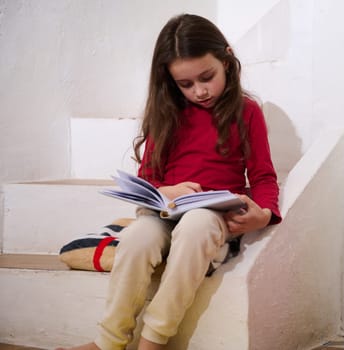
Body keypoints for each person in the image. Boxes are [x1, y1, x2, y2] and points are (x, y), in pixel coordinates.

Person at [60, 13, 281, 350]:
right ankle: (109, 341)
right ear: (170, 81)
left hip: (211, 217)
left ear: (227, 59)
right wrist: (165, 191)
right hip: (164, 212)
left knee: (195, 226)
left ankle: (154, 340)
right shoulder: (167, 113)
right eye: (186, 84)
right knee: (136, 240)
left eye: (207, 77)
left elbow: (263, 176)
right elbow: (148, 177)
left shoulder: (246, 111)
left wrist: (263, 214)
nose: (200, 91)